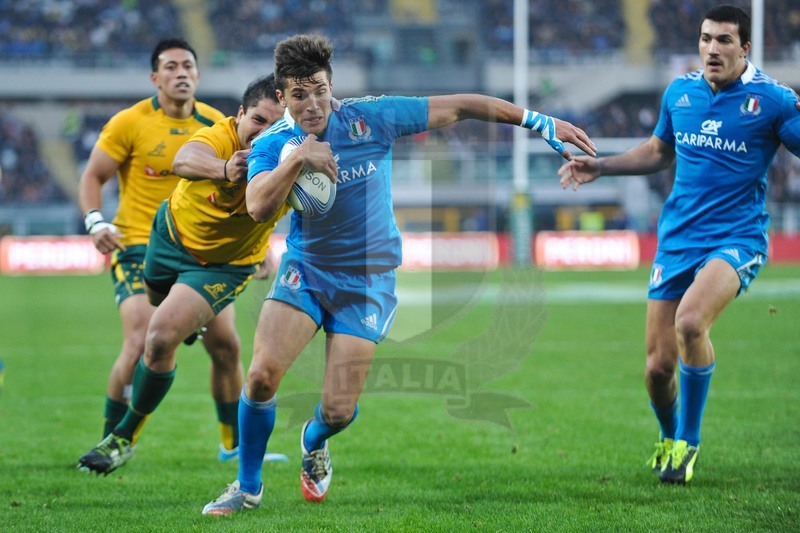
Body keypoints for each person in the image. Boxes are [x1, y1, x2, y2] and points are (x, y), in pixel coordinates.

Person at [200, 33, 597, 516]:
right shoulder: (272, 145)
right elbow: (259, 206)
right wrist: (300, 158)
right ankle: (247, 486)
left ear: (332, 86)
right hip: (307, 271)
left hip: (368, 279)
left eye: (320, 90)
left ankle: (314, 439)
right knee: (261, 376)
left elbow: (462, 107)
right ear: (281, 97)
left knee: (338, 412)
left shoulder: (371, 117)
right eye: (299, 95)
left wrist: (536, 120)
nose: (311, 104)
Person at [557, 5, 800, 485]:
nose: (712, 48)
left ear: (744, 48)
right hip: (677, 240)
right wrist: (600, 165)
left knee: (691, 323)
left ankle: (689, 442)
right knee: (656, 369)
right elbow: (657, 152)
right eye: (706, 39)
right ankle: (669, 437)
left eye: (724, 41)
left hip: (737, 237)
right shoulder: (680, 92)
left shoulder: (773, 101)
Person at [78, 74, 291, 473]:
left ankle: (122, 437)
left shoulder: (288, 160)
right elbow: (183, 159)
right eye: (259, 121)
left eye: (277, 126)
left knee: (159, 339)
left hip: (225, 266)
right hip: (167, 238)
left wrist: (270, 248)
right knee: (183, 335)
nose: (264, 133)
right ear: (240, 115)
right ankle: (186, 321)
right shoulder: (216, 131)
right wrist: (226, 168)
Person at [77, 38, 238, 463]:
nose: (180, 72)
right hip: (137, 246)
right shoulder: (130, 122)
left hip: (202, 252)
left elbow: (240, 189)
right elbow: (93, 175)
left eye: (188, 65)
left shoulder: (217, 124)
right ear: (155, 78)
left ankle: (233, 446)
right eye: (170, 67)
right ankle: (111, 443)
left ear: (198, 75)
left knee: (227, 347)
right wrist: (95, 221)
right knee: (139, 341)